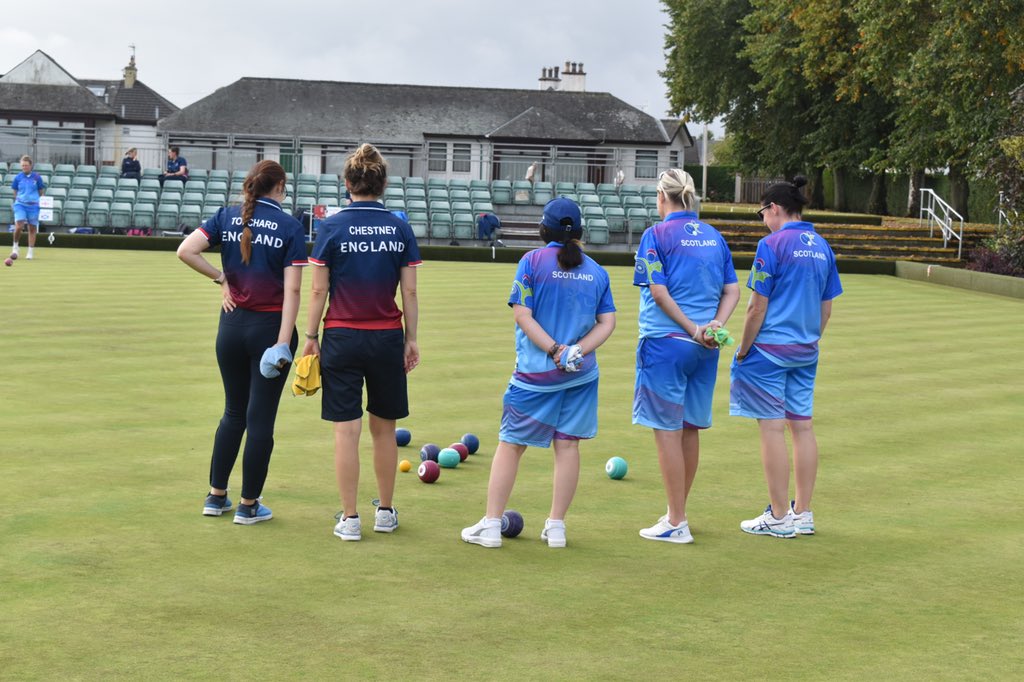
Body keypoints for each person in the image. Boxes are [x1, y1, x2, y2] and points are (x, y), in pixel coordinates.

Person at [461, 197, 616, 549]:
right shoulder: (597, 270)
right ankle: (557, 528)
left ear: (543, 229)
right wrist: (577, 351)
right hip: (581, 374)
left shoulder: (531, 261)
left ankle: (490, 526)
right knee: (568, 445)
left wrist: (554, 350)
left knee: (511, 444)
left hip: (536, 375)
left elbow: (522, 315)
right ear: (578, 231)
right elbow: (607, 322)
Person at [176, 160, 307, 525]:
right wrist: (283, 342)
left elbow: (185, 250)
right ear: (279, 186)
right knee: (260, 419)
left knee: (233, 412)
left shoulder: (226, 215)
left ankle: (216, 496)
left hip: (230, 326)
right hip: (269, 329)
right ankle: (249, 505)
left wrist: (221, 279)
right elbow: (294, 289)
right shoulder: (291, 226)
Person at [301, 143, 421, 542]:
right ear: (382, 183)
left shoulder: (332, 226)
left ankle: (350, 519)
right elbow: (411, 293)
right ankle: (385, 513)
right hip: (387, 336)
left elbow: (317, 292)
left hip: (341, 336)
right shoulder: (399, 226)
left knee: (345, 432)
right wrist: (412, 339)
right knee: (384, 431)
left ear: (347, 183)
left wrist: (310, 336)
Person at [730, 176, 843, 538]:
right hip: (806, 349)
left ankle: (779, 516)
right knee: (803, 427)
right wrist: (809, 341)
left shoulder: (771, 244)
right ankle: (803, 512)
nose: (763, 219)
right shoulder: (822, 246)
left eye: (763, 212)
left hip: (769, 350)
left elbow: (755, 308)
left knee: (772, 428)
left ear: (774, 208)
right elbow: (826, 309)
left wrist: (743, 349)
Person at [633, 169, 740, 543]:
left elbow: (659, 294)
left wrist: (694, 328)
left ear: (663, 197)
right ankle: (676, 513)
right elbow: (732, 291)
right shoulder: (714, 236)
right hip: (705, 348)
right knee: (690, 429)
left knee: (666, 431)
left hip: (666, 343)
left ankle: (676, 521)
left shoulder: (655, 235)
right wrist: (713, 326)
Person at [10, 155, 46, 260]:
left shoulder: (37, 177)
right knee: (19, 226)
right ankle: (15, 246)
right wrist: (19, 200)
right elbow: (15, 191)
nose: (24, 167)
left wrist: (37, 201)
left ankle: (30, 252)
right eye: (22, 165)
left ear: (31, 166)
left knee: (32, 228)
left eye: (26, 165)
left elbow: (40, 192)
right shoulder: (18, 177)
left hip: (34, 206)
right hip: (20, 205)